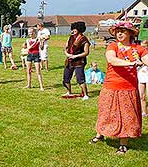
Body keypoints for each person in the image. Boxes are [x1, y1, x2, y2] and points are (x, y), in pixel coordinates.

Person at [90, 21, 148, 154]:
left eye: (123, 31)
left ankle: (123, 144)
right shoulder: (113, 46)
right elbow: (112, 60)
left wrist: (141, 60)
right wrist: (132, 62)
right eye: (117, 31)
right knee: (105, 112)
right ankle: (100, 134)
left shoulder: (138, 49)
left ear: (130, 33)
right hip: (111, 86)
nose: (119, 33)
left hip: (128, 89)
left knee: (127, 116)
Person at [62, 21, 90, 100]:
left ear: (79, 29)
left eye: (75, 29)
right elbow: (66, 47)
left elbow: (86, 52)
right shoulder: (70, 37)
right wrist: (67, 54)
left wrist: (76, 56)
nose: (73, 31)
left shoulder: (84, 39)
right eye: (72, 29)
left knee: (80, 79)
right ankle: (69, 92)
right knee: (66, 78)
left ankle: (85, 94)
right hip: (69, 60)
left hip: (79, 62)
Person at [138, 40, 148, 117]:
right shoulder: (138, 54)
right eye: (141, 46)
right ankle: (144, 112)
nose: (143, 48)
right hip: (141, 75)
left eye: (144, 46)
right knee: (142, 95)